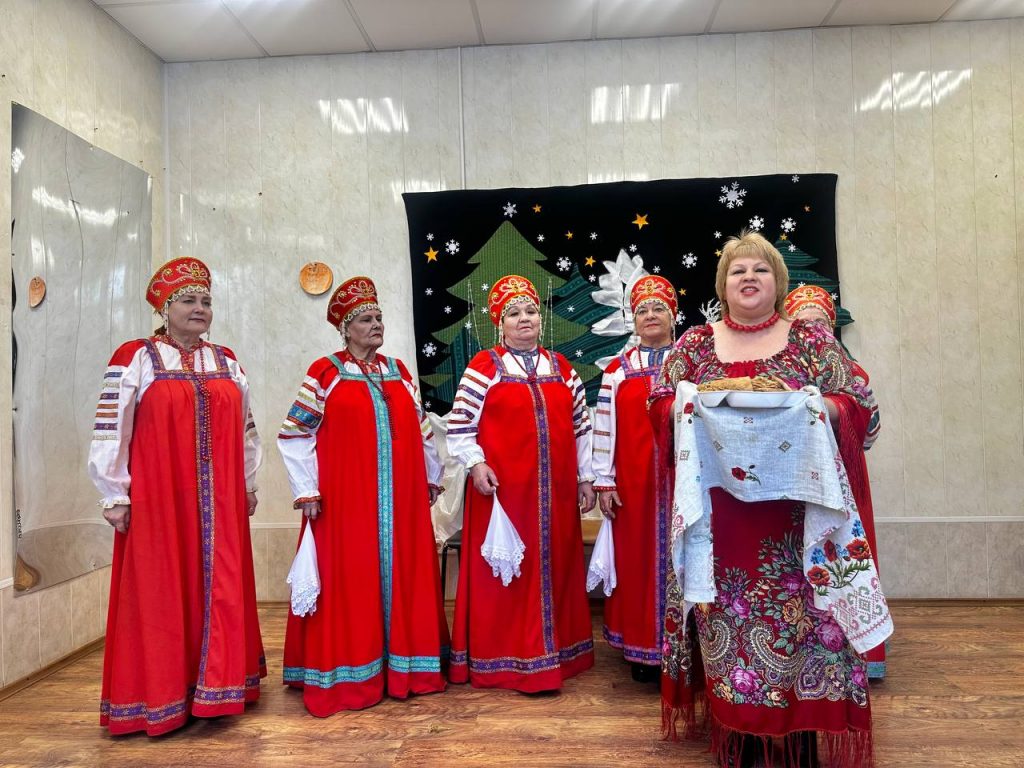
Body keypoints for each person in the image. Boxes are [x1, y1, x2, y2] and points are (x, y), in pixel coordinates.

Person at [651, 232, 886, 767]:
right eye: (738, 271)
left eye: (760, 270)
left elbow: (853, 405)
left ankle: (802, 734)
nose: (749, 278)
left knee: (809, 620)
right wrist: (688, 404)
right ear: (723, 285)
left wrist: (814, 405)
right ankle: (741, 738)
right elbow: (658, 407)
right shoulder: (694, 345)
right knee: (726, 619)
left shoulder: (811, 340)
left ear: (777, 283)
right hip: (721, 520)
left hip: (801, 520)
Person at [88, 257, 265, 736]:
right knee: (161, 590)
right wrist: (114, 493)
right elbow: (111, 427)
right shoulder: (136, 357)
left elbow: (247, 430)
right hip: (159, 500)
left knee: (221, 586)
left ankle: (218, 689)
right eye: (188, 300)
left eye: (206, 300)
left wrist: (248, 483)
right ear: (164, 309)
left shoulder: (227, 360)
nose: (200, 308)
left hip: (221, 502)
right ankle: (163, 697)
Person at [279, 275, 448, 716]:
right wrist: (306, 489)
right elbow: (294, 432)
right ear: (345, 328)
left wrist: (431, 477)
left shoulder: (400, 372)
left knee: (405, 572)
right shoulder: (326, 372)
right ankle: (352, 674)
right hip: (345, 501)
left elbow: (422, 429)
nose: (376, 325)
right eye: (366, 320)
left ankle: (408, 669)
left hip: (404, 499)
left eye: (379, 318)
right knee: (350, 578)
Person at [447, 274, 596, 691]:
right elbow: (460, 427)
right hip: (504, 495)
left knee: (556, 569)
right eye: (514, 313)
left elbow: (581, 427)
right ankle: (507, 660)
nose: (524, 318)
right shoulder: (483, 367)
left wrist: (586, 478)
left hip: (557, 496)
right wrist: (476, 464)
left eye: (531, 311)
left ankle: (558, 655)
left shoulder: (562, 368)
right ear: (500, 323)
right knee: (508, 576)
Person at [784, 285, 885, 680]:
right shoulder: (785, 374)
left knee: (845, 558)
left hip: (844, 486)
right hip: (798, 483)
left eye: (820, 323)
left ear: (831, 326)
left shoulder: (853, 374)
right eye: (803, 324)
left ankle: (861, 649)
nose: (813, 330)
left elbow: (871, 432)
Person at [592, 275, 678, 682]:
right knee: (637, 563)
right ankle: (643, 651)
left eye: (658, 308)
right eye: (642, 310)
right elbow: (603, 429)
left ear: (673, 315)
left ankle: (687, 651)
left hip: (684, 483)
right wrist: (604, 481)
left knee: (686, 561)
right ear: (633, 319)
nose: (650, 315)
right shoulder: (617, 371)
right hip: (634, 487)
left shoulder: (694, 364)